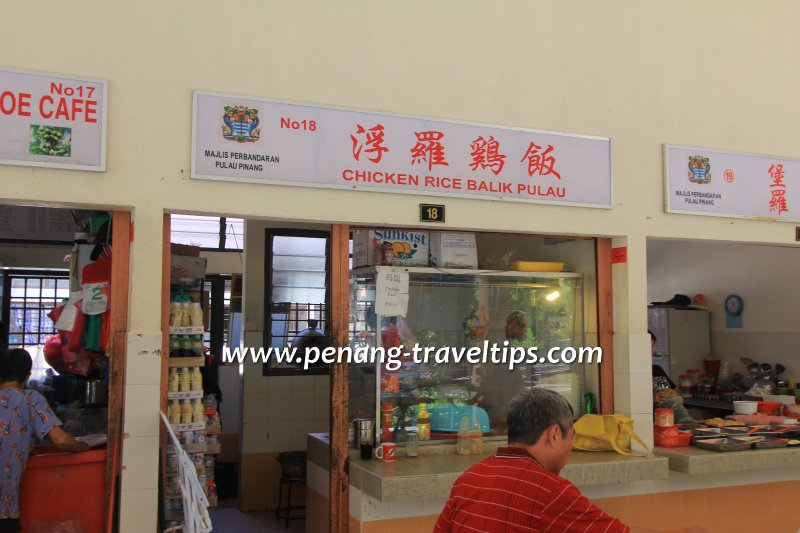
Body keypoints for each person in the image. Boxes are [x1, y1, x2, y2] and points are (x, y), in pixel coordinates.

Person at [435, 388, 707, 533]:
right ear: (554, 434)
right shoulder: (548, 490)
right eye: (571, 437)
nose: (571, 447)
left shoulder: (471, 477)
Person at [0, 348, 89, 533]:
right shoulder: (30, 399)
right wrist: (82, 447)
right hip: (4, 507)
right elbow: (61, 440)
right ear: (27, 376)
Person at [650, 331, 694, 424]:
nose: (651, 350)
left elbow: (670, 398)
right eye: (646, 345)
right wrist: (651, 398)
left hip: (662, 424)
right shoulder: (622, 373)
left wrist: (687, 423)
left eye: (652, 345)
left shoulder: (655, 370)